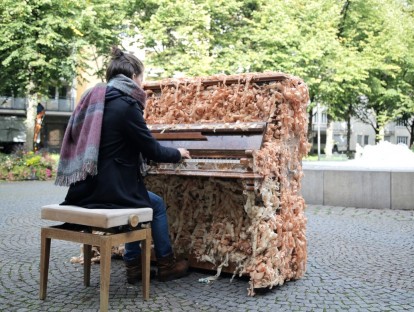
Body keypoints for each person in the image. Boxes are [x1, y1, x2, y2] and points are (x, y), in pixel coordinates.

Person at [55, 46, 190, 283]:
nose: (142, 83)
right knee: (154, 205)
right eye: (142, 77)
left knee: (136, 198)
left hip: (87, 187)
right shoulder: (126, 105)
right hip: (111, 189)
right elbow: (153, 150)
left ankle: (134, 266)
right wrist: (178, 153)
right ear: (134, 76)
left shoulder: (97, 99)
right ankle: (167, 264)